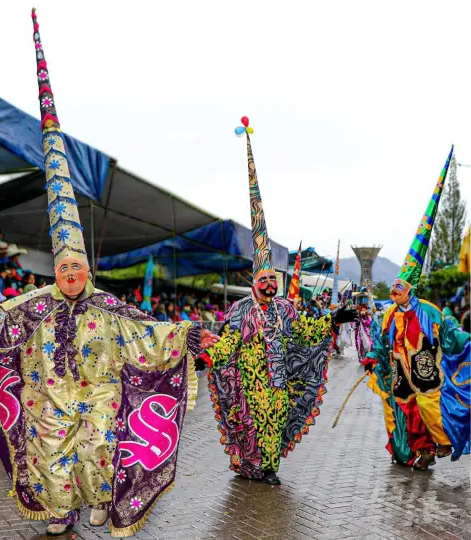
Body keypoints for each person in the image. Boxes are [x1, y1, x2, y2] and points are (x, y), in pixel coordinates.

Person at [0, 12, 216, 535]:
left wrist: (186, 333)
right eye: (64, 266)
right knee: (51, 452)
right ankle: (58, 511)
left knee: (100, 446)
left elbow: (148, 333)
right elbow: (1, 324)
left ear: (87, 271)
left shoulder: (107, 307)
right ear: (58, 269)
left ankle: (99, 502)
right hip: (50, 396)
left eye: (78, 267)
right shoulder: (36, 304)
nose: (71, 273)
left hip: (98, 395)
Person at [199, 118, 356, 486]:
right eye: (264, 279)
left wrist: (332, 322)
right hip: (249, 381)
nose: (270, 284)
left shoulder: (286, 308)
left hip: (280, 379)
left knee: (277, 418)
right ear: (254, 282)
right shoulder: (240, 310)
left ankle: (264, 466)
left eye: (273, 279)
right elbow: (228, 342)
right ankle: (255, 467)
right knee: (252, 423)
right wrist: (208, 354)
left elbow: (303, 332)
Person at [364, 145, 471, 470]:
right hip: (400, 374)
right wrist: (373, 358)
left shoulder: (429, 311)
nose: (394, 290)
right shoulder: (388, 315)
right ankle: (416, 452)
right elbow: (381, 343)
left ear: (409, 288)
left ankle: (440, 444)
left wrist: (465, 341)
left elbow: (451, 336)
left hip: (427, 374)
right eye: (393, 286)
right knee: (404, 413)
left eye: (399, 286)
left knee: (430, 409)